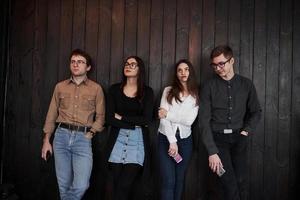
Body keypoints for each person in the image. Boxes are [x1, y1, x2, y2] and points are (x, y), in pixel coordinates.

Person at [199, 45, 262, 200]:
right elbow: (203, 121)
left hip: (239, 139)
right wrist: (212, 151)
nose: (218, 68)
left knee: (241, 182)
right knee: (228, 183)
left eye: (221, 63)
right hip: (218, 141)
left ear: (232, 60)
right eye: (214, 65)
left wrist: (246, 131)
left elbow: (256, 112)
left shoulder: (246, 84)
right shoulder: (208, 86)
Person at [41, 49, 105, 200]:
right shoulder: (60, 87)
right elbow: (51, 114)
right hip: (61, 137)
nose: (76, 65)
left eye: (80, 62)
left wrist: (90, 134)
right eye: (73, 62)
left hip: (83, 139)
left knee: (81, 185)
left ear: (88, 67)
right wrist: (46, 141)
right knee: (63, 185)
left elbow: (101, 117)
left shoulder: (96, 89)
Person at [105, 56, 154, 200]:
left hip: (137, 141)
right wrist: (135, 123)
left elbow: (147, 119)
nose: (128, 66)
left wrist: (121, 117)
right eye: (127, 64)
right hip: (116, 140)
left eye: (133, 64)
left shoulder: (147, 92)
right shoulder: (114, 89)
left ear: (140, 69)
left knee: (125, 185)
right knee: (116, 184)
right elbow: (109, 118)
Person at [158, 59, 199, 200]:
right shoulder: (168, 91)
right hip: (165, 139)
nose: (183, 72)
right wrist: (172, 141)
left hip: (186, 141)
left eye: (186, 69)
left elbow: (189, 121)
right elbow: (162, 119)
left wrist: (169, 114)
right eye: (180, 70)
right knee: (169, 180)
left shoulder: (196, 94)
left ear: (190, 72)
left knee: (180, 179)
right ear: (176, 74)